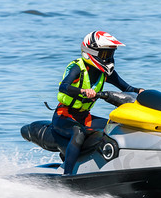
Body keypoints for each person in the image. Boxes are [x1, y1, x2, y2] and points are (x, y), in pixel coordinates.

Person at [53, 31, 143, 175]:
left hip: (85, 117)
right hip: (64, 116)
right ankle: (67, 176)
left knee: (115, 128)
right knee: (78, 133)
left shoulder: (105, 72)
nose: (108, 59)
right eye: (104, 55)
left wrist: (140, 91)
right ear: (90, 52)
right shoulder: (77, 68)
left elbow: (127, 88)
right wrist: (83, 91)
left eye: (110, 54)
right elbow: (63, 87)